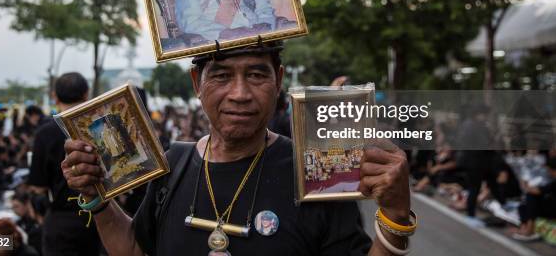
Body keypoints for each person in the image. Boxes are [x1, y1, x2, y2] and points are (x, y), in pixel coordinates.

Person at [62, 42, 415, 255]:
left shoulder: (317, 174)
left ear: (278, 79)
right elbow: (136, 249)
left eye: (257, 75)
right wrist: (98, 199)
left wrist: (395, 215)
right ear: (197, 82)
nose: (240, 93)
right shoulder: (174, 164)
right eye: (221, 76)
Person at [28, 73, 101, 256]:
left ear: (55, 97)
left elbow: (38, 187)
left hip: (62, 222)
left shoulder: (44, 134)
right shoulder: (99, 126)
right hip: (102, 216)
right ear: (86, 94)